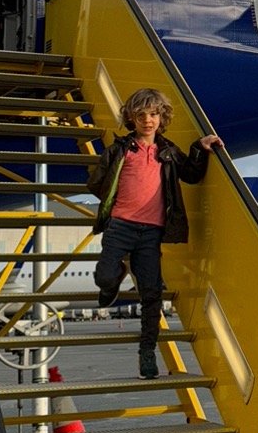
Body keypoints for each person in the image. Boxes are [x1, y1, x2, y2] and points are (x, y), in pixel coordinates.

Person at [87, 88, 223, 378]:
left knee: (151, 294)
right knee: (103, 276)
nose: (147, 120)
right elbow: (97, 183)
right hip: (120, 225)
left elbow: (191, 174)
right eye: (140, 115)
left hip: (151, 232)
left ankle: (147, 353)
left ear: (162, 118)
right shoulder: (119, 150)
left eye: (153, 114)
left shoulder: (169, 153)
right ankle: (113, 281)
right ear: (131, 119)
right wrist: (115, 207)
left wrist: (200, 146)